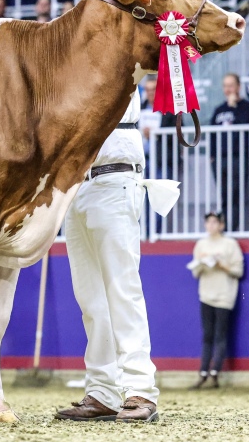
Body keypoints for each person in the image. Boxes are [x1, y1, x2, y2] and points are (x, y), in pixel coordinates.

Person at [56, 91, 180, 423]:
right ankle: (103, 392)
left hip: (114, 177)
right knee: (90, 299)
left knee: (122, 289)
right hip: (74, 184)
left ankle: (140, 389)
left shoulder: (110, 57)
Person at [188, 211, 244, 389]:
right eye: (208, 222)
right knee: (207, 335)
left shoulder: (230, 244)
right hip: (206, 295)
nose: (211, 225)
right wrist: (202, 262)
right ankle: (203, 373)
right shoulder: (201, 244)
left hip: (224, 296)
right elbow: (195, 272)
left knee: (220, 335)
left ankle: (215, 373)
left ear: (221, 225)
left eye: (214, 222)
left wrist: (221, 265)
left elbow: (238, 271)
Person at [209, 73, 249, 232]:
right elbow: (212, 134)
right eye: (225, 86)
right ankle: (225, 227)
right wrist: (212, 156)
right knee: (224, 194)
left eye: (231, 85)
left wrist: (233, 108)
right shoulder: (219, 109)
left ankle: (235, 228)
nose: (228, 89)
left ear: (238, 87)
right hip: (220, 159)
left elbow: (245, 125)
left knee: (237, 194)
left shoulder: (248, 107)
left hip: (239, 157)